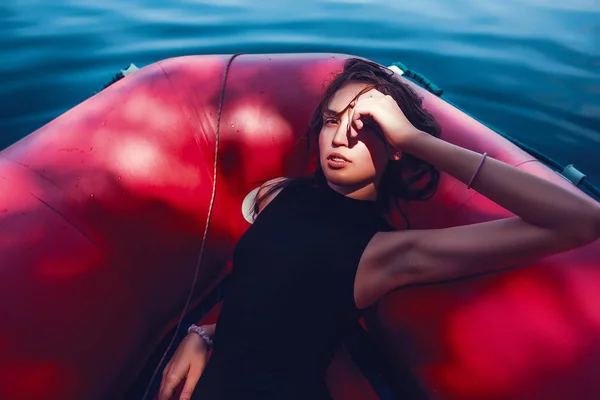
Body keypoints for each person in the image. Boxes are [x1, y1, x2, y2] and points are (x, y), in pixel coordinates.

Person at [157, 58, 600, 400]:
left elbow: (581, 220)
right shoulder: (281, 193)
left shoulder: (382, 253)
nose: (341, 137)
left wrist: (413, 138)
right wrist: (205, 333)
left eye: (365, 125)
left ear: (395, 144)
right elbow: (264, 297)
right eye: (332, 120)